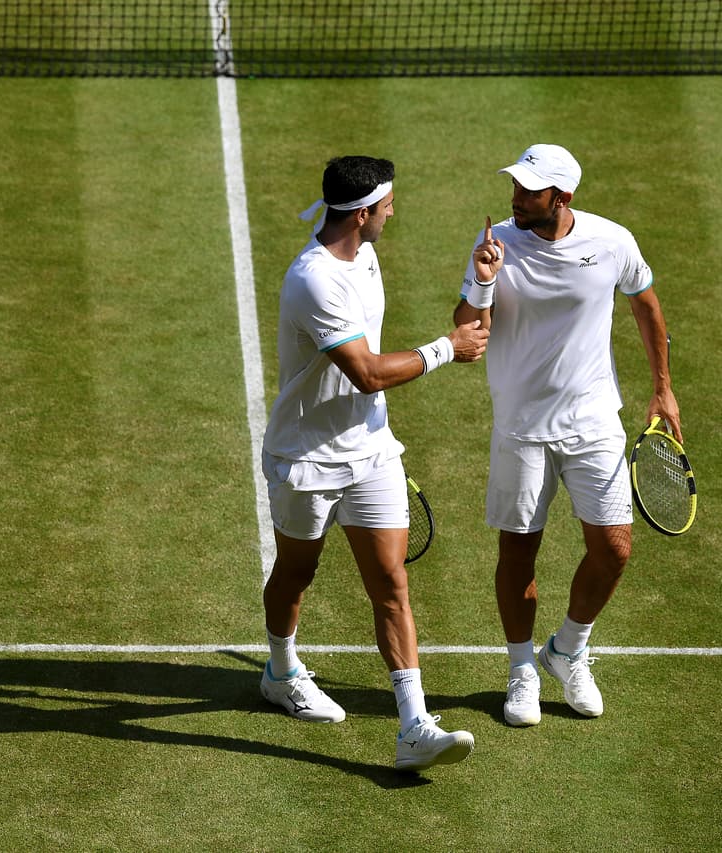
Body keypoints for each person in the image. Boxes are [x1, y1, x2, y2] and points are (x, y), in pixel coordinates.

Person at [259, 155, 488, 771]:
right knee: (295, 574)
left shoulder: (364, 253)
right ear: (362, 213)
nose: (393, 213)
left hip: (371, 454)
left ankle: (414, 725)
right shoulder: (315, 280)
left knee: (391, 584)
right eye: (388, 206)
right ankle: (280, 669)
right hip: (305, 458)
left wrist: (482, 283)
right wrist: (447, 349)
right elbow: (364, 373)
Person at [454, 144, 681, 727]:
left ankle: (569, 649)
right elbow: (467, 335)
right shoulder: (496, 244)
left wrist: (663, 388)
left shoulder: (612, 242)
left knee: (614, 548)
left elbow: (647, 308)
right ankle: (521, 669)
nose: (517, 198)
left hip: (594, 421)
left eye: (531, 190)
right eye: (516, 186)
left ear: (563, 197)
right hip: (521, 428)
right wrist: (482, 282)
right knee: (518, 552)